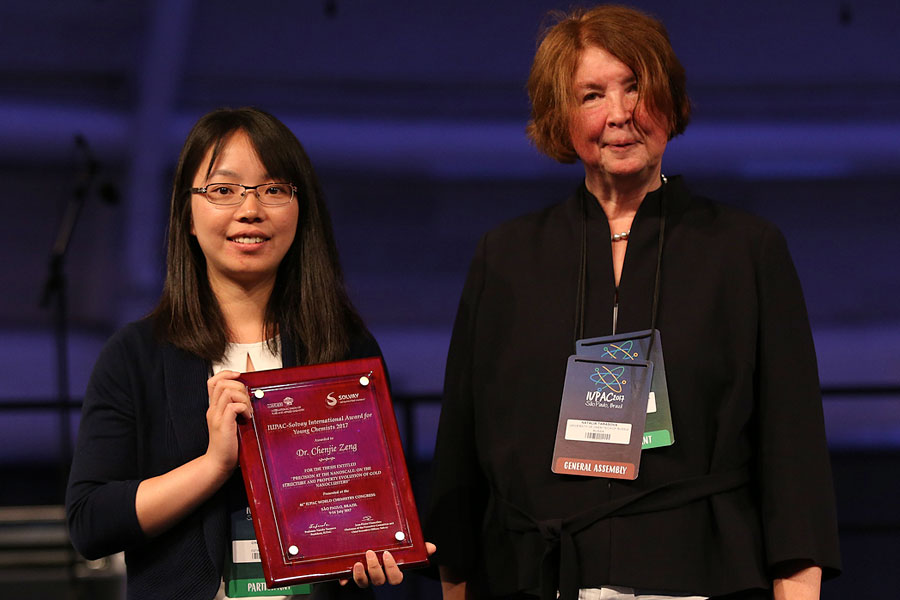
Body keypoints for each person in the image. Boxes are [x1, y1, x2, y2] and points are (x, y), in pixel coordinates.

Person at [426, 5, 840, 600]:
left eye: (636, 87)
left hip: (701, 578)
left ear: (669, 100)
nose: (619, 114)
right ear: (560, 117)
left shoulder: (745, 250)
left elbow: (792, 453)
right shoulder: (506, 256)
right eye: (592, 95)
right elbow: (460, 459)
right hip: (533, 579)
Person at [66, 107, 431, 599]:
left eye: (274, 189)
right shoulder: (136, 356)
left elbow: (371, 500)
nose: (250, 210)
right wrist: (213, 465)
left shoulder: (344, 347)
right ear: (188, 217)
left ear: (301, 211)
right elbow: (91, 523)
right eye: (223, 190)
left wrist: (373, 545)